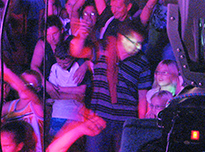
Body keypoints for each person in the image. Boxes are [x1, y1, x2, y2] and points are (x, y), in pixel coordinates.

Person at [73, 19, 151, 152]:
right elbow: (77, 52)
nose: (137, 48)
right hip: (98, 118)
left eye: (140, 44)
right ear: (121, 37)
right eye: (133, 42)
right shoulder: (102, 48)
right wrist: (81, 37)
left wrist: (140, 124)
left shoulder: (142, 62)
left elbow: (142, 98)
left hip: (125, 122)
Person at [48, 41, 87, 139]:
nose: (62, 65)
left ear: (73, 58)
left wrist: (60, 89)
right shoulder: (55, 68)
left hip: (76, 115)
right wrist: (74, 94)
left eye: (65, 63)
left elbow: (82, 90)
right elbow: (53, 93)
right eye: (59, 62)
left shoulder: (79, 67)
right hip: (58, 113)